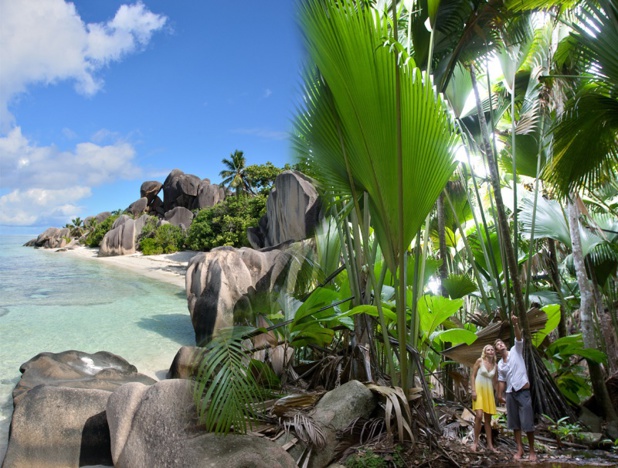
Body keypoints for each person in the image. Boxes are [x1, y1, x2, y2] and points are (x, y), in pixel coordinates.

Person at [495, 314, 537, 462]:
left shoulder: (515, 350)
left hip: (523, 391)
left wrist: (515, 324)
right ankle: (520, 449)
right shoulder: (500, 364)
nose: (500, 345)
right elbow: (501, 380)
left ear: (505, 345)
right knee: (515, 423)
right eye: (497, 345)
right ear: (497, 350)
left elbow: (519, 338)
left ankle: (532, 450)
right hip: (511, 393)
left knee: (527, 421)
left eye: (501, 343)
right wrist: (500, 395)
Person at [470, 344, 498, 452]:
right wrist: (473, 390)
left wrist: (499, 394)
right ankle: (475, 443)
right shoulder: (479, 361)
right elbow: (473, 375)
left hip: (489, 391)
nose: (490, 351)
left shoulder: (495, 365)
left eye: (492, 349)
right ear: (485, 352)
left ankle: (490, 445)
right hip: (478, 390)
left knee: (488, 419)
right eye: (488, 349)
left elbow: (495, 381)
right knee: (479, 415)